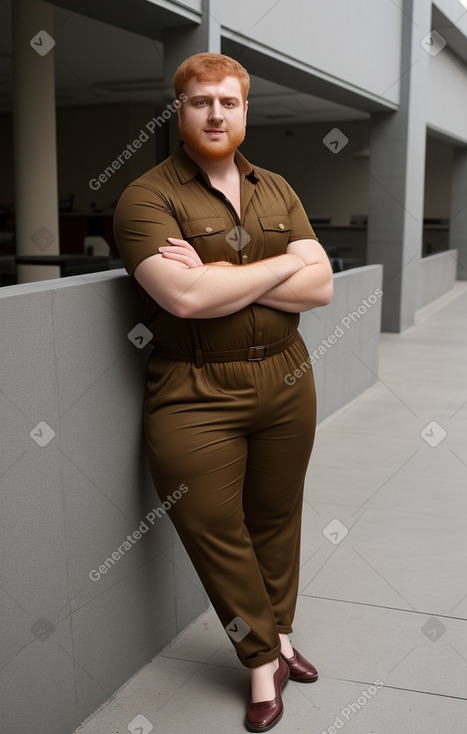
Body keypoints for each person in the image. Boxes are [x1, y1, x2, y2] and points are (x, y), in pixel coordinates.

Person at [113, 52, 333, 732]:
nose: (214, 113)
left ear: (245, 110)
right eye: (199, 102)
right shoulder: (145, 197)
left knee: (276, 517)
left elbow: (321, 287)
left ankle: (283, 635)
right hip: (193, 390)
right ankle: (259, 662)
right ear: (178, 111)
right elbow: (182, 298)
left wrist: (219, 277)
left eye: (227, 102)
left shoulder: (277, 188)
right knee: (214, 530)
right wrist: (279, 266)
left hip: (286, 377)